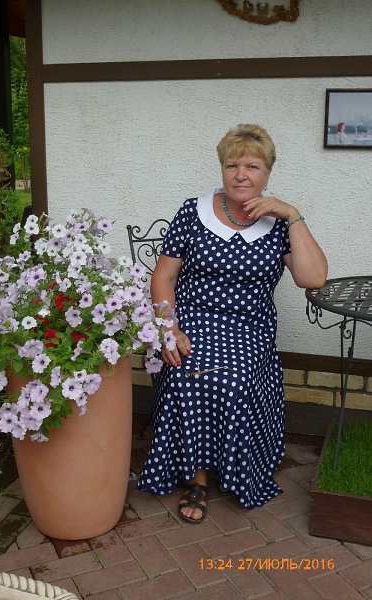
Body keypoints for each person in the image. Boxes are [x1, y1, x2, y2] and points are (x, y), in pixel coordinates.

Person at [138, 123, 328, 523]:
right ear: (222, 169)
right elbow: (164, 276)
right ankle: (196, 478)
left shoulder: (279, 223)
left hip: (249, 326)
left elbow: (313, 278)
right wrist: (169, 328)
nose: (241, 175)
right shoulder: (193, 212)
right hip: (191, 320)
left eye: (252, 166)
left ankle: (238, 467)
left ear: (267, 172)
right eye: (232, 165)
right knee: (186, 372)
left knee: (234, 379)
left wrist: (292, 214)